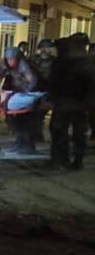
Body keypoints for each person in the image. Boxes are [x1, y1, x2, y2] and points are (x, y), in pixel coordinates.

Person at [49, 34, 92, 170]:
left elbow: (53, 82)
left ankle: (60, 160)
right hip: (80, 103)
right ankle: (77, 160)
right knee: (78, 133)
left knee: (60, 132)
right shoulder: (88, 62)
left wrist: (52, 98)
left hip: (64, 102)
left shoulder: (61, 61)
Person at [0, 46, 42, 154]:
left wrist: (25, 93)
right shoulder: (11, 67)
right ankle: (20, 144)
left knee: (27, 122)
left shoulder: (24, 66)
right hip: (21, 94)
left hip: (29, 96)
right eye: (8, 59)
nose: (10, 61)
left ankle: (28, 146)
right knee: (18, 122)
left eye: (12, 59)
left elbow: (32, 81)